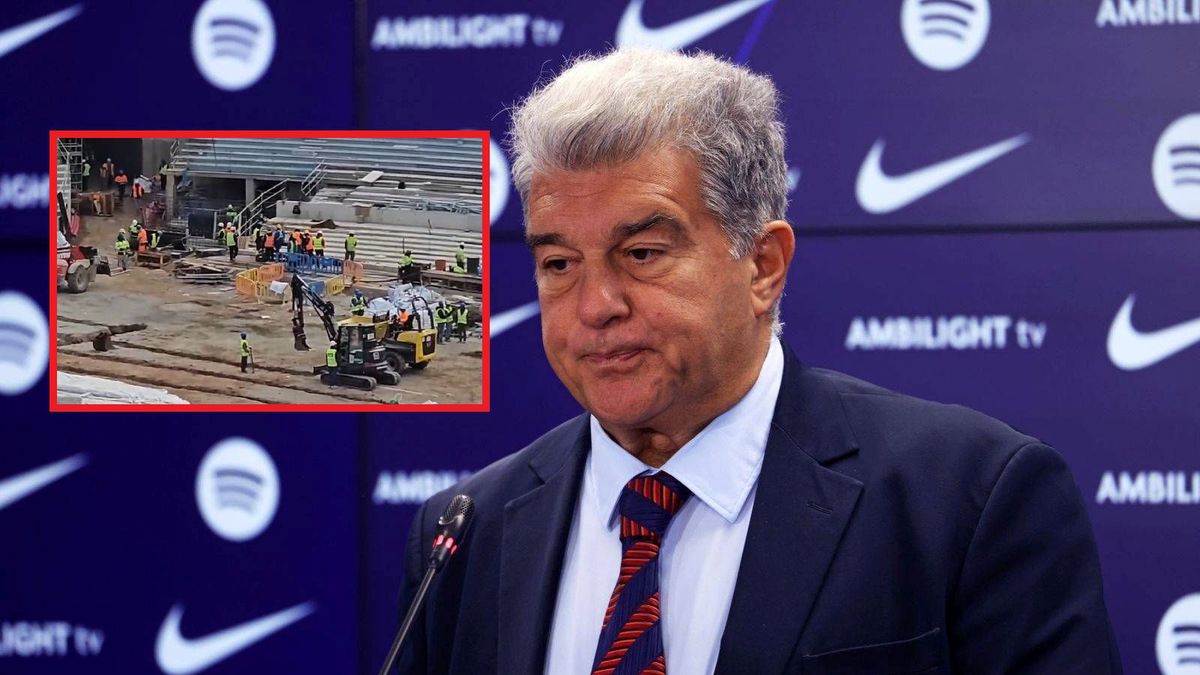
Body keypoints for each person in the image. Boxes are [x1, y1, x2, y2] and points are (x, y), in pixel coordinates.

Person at [395, 49, 1120, 675]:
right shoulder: (463, 534)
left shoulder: (968, 502)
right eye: (558, 262)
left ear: (764, 264)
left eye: (641, 253)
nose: (595, 305)